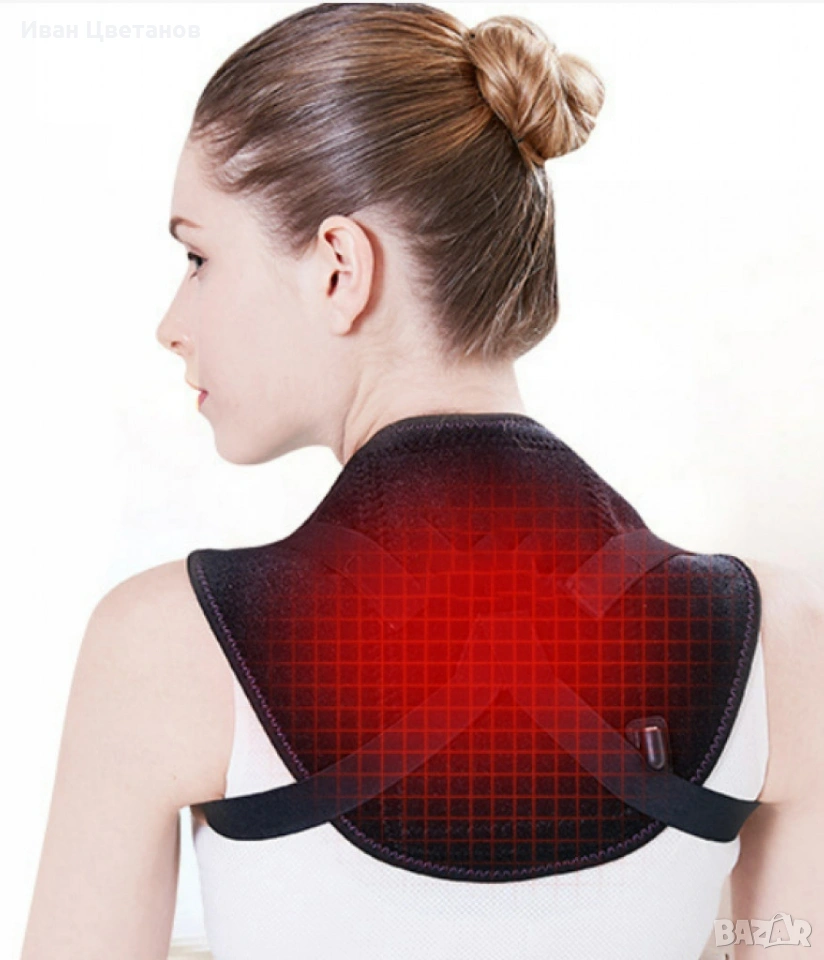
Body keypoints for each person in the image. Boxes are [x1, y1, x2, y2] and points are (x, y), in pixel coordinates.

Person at [20, 4, 824, 960]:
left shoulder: (165, 648)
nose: (171, 323)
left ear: (338, 268)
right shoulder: (781, 642)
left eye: (198, 257)